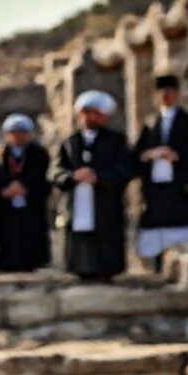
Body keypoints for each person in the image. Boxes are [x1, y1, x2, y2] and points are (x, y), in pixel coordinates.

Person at [51, 90, 132, 281]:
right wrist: (72, 176)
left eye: (95, 113)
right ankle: (79, 269)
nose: (89, 117)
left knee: (105, 237)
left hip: (103, 201)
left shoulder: (115, 141)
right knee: (80, 237)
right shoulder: (70, 142)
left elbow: (125, 169)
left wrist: (99, 177)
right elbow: (55, 171)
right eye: (86, 112)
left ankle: (106, 271)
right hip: (77, 200)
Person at [133, 74, 188, 268]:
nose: (165, 95)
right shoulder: (150, 124)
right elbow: (136, 155)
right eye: (161, 92)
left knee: (182, 233)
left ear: (177, 94)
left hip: (180, 188)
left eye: (170, 91)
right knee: (156, 232)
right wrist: (150, 155)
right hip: (156, 190)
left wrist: (178, 156)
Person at [0, 114, 51, 272]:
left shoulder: (39, 154)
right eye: (14, 132)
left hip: (30, 205)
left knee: (31, 237)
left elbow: (46, 180)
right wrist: (4, 192)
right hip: (7, 208)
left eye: (22, 132)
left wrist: (27, 189)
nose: (18, 136)